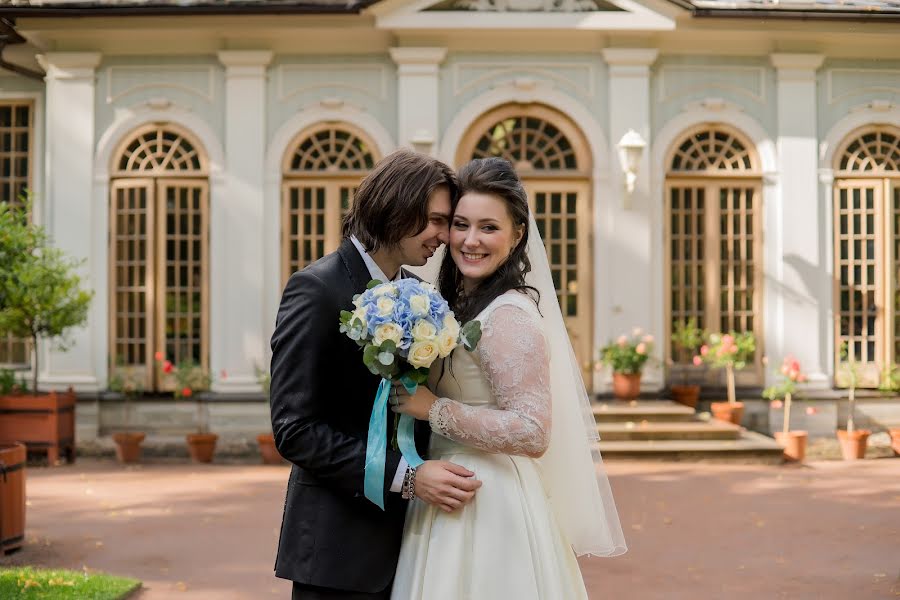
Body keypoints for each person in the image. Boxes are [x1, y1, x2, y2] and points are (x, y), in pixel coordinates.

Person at [390, 157, 627, 599]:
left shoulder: (508, 315)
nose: (470, 240)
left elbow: (533, 431)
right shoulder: (460, 305)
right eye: (461, 225)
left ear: (517, 235)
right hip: (448, 488)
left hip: (489, 502)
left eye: (488, 227)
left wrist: (434, 408)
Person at [269, 149, 483, 600]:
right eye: (433, 220)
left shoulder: (423, 294)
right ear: (392, 208)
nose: (443, 236)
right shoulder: (317, 289)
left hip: (414, 544)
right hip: (337, 551)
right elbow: (295, 430)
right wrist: (406, 476)